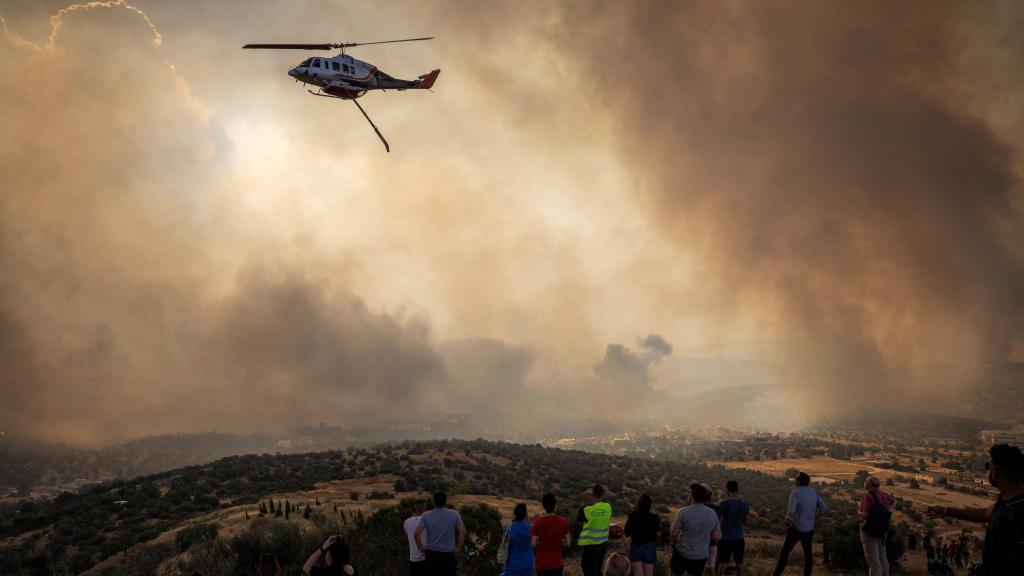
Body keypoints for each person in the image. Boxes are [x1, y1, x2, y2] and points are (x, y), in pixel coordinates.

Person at [927, 443, 1024, 576]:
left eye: (989, 467)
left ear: (995, 473)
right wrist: (946, 511)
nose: (988, 471)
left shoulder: (1006, 517)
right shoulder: (1012, 498)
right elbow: (986, 514)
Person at [772, 472, 827, 576]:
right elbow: (823, 508)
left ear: (798, 481)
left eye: (796, 479)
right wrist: (815, 518)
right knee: (808, 555)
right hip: (809, 529)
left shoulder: (795, 493)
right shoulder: (813, 491)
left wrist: (788, 522)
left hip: (796, 528)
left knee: (785, 553)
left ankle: (776, 574)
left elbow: (790, 511)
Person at [670, 483, 721, 576]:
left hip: (683, 552)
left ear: (691, 496)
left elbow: (674, 534)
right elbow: (716, 536)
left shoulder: (683, 512)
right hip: (701, 555)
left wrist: (674, 544)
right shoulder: (712, 513)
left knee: (674, 573)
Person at [415, 491, 467, 576]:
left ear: (433, 501)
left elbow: (417, 533)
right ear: (445, 501)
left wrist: (421, 547)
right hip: (448, 555)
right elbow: (463, 532)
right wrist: (458, 547)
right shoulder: (454, 514)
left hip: (432, 555)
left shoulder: (426, 515)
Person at [858, 476, 894, 576]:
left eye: (866, 481)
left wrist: (859, 513)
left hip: (870, 531)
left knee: (873, 561)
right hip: (882, 530)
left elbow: (865, 515)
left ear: (869, 484)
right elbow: (893, 502)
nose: (864, 483)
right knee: (883, 558)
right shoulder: (885, 495)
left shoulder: (868, 496)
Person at [532, 492, 571, 576]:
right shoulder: (563, 522)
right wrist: (560, 542)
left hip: (542, 565)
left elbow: (533, 544)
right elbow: (568, 543)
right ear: (555, 504)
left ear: (543, 505)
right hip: (557, 563)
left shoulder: (537, 523)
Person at [717, 480, 749, 576]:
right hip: (739, 538)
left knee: (723, 563)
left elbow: (720, 523)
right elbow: (745, 522)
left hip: (725, 538)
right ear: (737, 489)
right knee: (739, 563)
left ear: (727, 489)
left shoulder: (723, 504)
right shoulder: (745, 504)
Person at [579, 484, 613, 576]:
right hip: (603, 543)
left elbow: (579, 518)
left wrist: (584, 502)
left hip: (590, 545)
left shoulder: (588, 510)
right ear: (602, 494)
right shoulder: (608, 507)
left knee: (588, 569)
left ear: (592, 495)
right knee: (597, 568)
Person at [624, 493, 660, 576]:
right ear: (649, 505)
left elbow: (627, 533)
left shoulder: (632, 516)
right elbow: (658, 529)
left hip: (636, 546)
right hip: (649, 547)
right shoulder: (653, 517)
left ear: (638, 504)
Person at [502, 503, 535, 576]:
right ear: (525, 514)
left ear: (515, 513)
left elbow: (505, 545)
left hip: (513, 563)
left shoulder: (509, 528)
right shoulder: (531, 528)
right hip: (528, 562)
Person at [405, 500, 428, 576]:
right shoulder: (427, 520)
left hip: (413, 559)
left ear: (415, 508)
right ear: (425, 507)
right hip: (425, 558)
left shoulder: (407, 522)